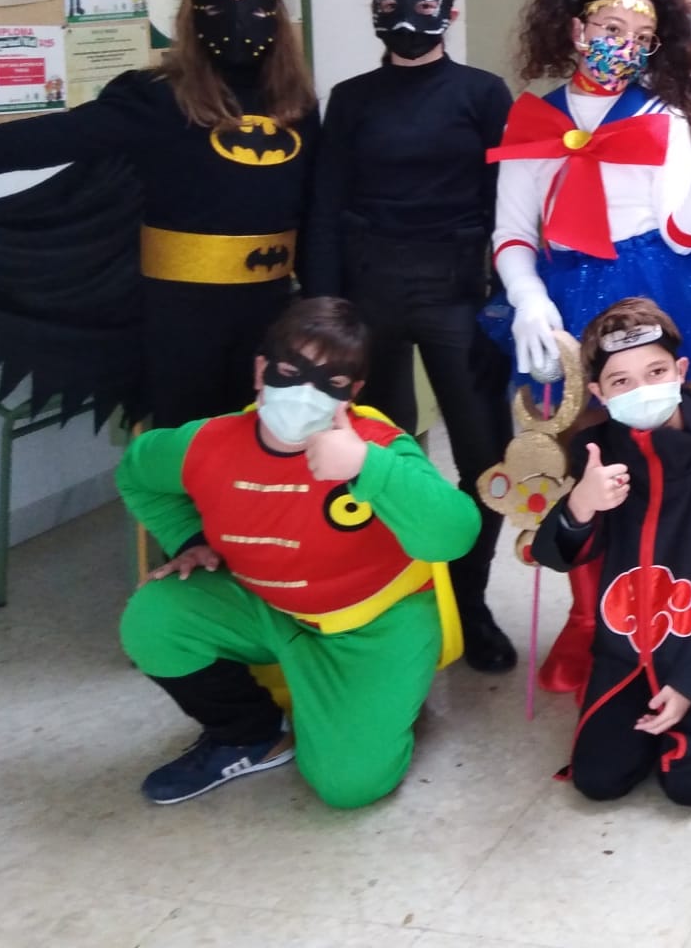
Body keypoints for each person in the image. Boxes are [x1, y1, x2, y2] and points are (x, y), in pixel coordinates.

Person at [489, 0, 691, 694]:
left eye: (640, 37)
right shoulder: (534, 117)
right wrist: (526, 296)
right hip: (565, 300)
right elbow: (512, 232)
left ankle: (660, 605)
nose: (623, 46)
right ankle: (586, 621)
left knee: (655, 459)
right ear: (575, 28)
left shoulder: (661, 118)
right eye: (609, 28)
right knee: (578, 465)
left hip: (650, 293)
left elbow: (682, 236)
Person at [116, 297, 480, 808]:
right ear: (260, 371)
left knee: (348, 785)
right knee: (154, 616)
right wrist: (189, 540)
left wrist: (366, 466)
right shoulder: (207, 444)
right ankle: (249, 735)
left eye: (331, 382)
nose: (305, 393)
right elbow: (137, 474)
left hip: (374, 625)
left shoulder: (379, 444)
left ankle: (373, 699)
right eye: (290, 372)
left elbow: (454, 534)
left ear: (352, 393)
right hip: (267, 609)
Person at [0, 0, 317, 426]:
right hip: (184, 311)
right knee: (185, 439)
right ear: (193, 17)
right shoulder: (158, 97)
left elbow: (316, 206)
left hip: (271, 306)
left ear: (275, 15)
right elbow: (51, 138)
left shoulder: (295, 105)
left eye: (254, 6)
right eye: (218, 6)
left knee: (260, 436)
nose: (238, 23)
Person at [301, 0, 518, 674]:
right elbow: (325, 206)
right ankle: (397, 595)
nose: (403, 16)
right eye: (389, 1)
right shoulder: (351, 98)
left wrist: (512, 296)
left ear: (448, 10)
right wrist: (322, 309)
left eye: (422, 3)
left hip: (458, 294)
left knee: (487, 456)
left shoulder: (482, 93)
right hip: (368, 298)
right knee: (381, 454)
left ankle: (469, 600)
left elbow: (509, 204)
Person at [530, 297, 691, 808]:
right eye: (621, 381)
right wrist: (581, 505)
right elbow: (553, 555)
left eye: (656, 372)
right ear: (599, 393)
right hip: (627, 649)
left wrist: (690, 684)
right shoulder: (596, 451)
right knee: (598, 780)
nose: (642, 389)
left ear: (681, 371)